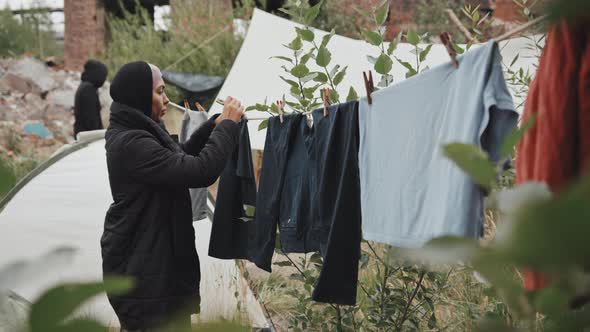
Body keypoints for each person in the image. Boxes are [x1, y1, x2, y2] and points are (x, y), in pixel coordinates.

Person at [100, 61, 244, 331]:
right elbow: (200, 171)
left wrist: (214, 125)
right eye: (160, 91)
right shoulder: (133, 143)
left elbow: (181, 156)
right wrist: (228, 128)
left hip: (153, 267)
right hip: (143, 277)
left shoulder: (140, 132)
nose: (166, 99)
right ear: (139, 95)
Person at [73, 59, 108, 139]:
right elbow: (91, 120)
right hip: (87, 138)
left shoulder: (85, 87)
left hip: (83, 135)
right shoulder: (88, 89)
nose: (104, 79)